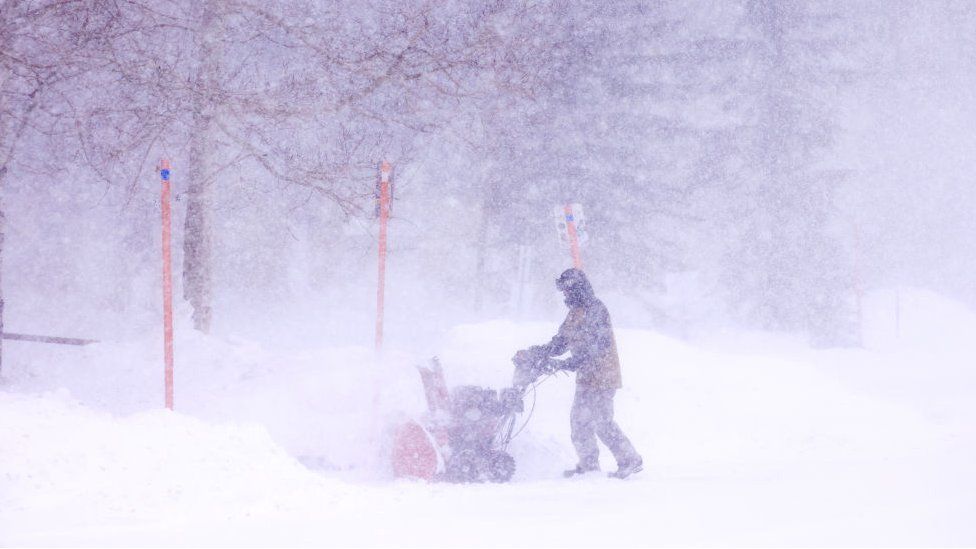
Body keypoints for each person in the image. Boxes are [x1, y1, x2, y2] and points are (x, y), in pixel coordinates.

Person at [517, 268, 643, 479]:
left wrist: (572, 362)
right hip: (586, 376)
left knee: (602, 422)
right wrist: (537, 353)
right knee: (579, 421)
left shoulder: (596, 309)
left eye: (567, 291)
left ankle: (630, 459)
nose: (564, 296)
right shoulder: (575, 312)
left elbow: (598, 345)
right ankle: (588, 465)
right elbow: (560, 342)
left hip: (603, 375)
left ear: (576, 289)